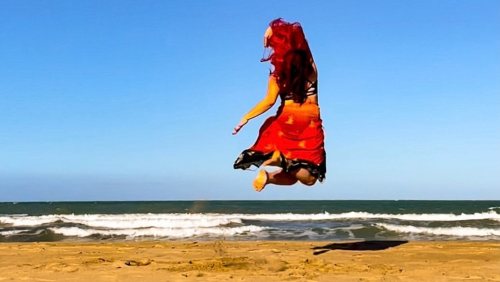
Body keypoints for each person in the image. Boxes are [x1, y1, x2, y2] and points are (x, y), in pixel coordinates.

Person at [232, 18, 326, 192]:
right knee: (311, 176)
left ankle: (268, 176)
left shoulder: (276, 76)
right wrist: (274, 29)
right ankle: (278, 158)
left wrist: (246, 117)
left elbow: (269, 101)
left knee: (291, 177)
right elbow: (303, 43)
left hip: (286, 120)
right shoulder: (311, 70)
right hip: (309, 121)